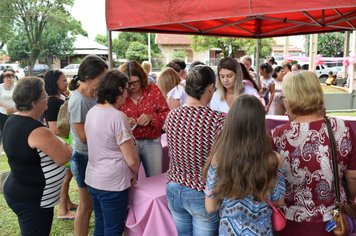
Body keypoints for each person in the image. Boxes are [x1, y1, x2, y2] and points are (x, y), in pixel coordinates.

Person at [270, 71, 356, 236]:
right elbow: (353, 177)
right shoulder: (342, 128)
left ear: (289, 100)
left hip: (289, 222)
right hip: (334, 222)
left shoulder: (278, 135)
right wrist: (351, 200)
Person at [204, 94, 285, 235]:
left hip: (229, 230)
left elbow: (211, 207)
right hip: (260, 231)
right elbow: (278, 201)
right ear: (260, 123)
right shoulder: (273, 159)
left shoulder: (220, 158)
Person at [3, 77, 72, 235]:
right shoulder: (37, 130)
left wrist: (59, 142)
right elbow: (65, 157)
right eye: (44, 95)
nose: (47, 97)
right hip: (33, 199)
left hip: (21, 193)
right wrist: (63, 145)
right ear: (33, 102)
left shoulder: (13, 119)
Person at [164, 66, 225, 236]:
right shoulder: (218, 119)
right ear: (211, 88)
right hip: (201, 191)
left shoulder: (172, 115)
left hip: (174, 187)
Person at [85, 70, 139, 235]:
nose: (127, 93)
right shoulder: (117, 116)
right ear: (119, 90)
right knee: (114, 229)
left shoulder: (92, 111)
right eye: (126, 89)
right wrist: (135, 173)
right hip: (112, 182)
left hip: (94, 178)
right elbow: (131, 159)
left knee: (100, 225)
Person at [68, 55, 108, 236]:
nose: (104, 82)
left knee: (95, 206)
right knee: (86, 207)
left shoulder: (96, 94)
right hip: (83, 158)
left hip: (96, 156)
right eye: (102, 77)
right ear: (88, 78)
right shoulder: (78, 100)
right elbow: (83, 136)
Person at [118, 60, 169, 178]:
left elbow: (167, 115)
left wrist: (151, 117)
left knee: (155, 179)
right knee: (130, 180)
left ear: (142, 77)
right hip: (128, 143)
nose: (132, 87)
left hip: (152, 142)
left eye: (135, 82)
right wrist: (125, 122)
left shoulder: (153, 90)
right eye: (128, 84)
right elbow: (112, 116)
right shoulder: (120, 94)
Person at [43, 69, 77, 220]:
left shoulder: (62, 97)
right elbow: (54, 128)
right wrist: (73, 133)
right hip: (62, 144)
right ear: (54, 83)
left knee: (68, 176)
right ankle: (62, 210)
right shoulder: (51, 101)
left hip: (67, 141)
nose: (67, 83)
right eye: (63, 80)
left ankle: (67, 203)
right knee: (66, 177)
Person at [0, 71, 17, 144]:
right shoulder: (0, 87)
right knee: (3, 130)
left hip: (15, 112)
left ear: (13, 78)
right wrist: (6, 107)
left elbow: (20, 98)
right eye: (7, 77)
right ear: (4, 79)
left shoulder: (16, 87)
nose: (9, 79)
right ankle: (4, 146)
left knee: (13, 129)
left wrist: (15, 107)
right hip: (2, 112)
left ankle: (13, 144)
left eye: (11, 77)